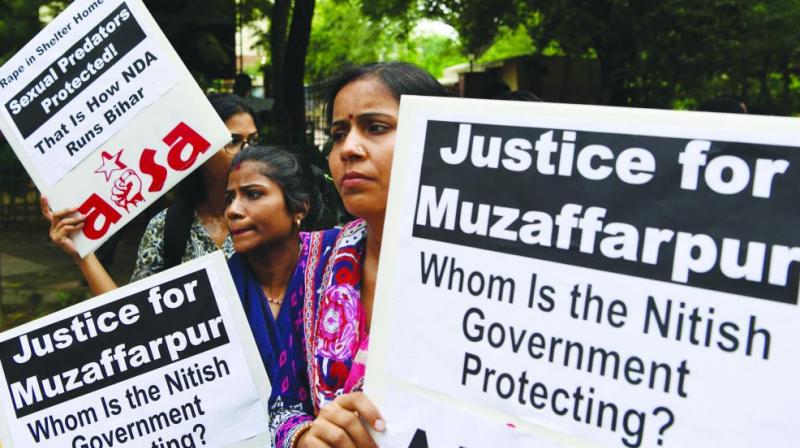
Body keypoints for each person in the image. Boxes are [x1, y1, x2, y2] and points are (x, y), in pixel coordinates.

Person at [268, 62, 447, 448]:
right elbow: (283, 402)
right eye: (338, 133)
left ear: (438, 139)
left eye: (376, 127)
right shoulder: (315, 258)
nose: (348, 148)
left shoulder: (486, 279)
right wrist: (303, 438)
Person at [42, 94, 260, 295]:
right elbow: (134, 316)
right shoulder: (166, 227)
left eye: (254, 140)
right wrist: (81, 253)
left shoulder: (271, 216)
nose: (247, 151)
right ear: (201, 145)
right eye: (233, 141)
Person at [225, 145, 327, 379]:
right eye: (229, 198)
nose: (232, 210)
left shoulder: (336, 273)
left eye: (252, 194)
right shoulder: (218, 292)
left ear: (299, 208)